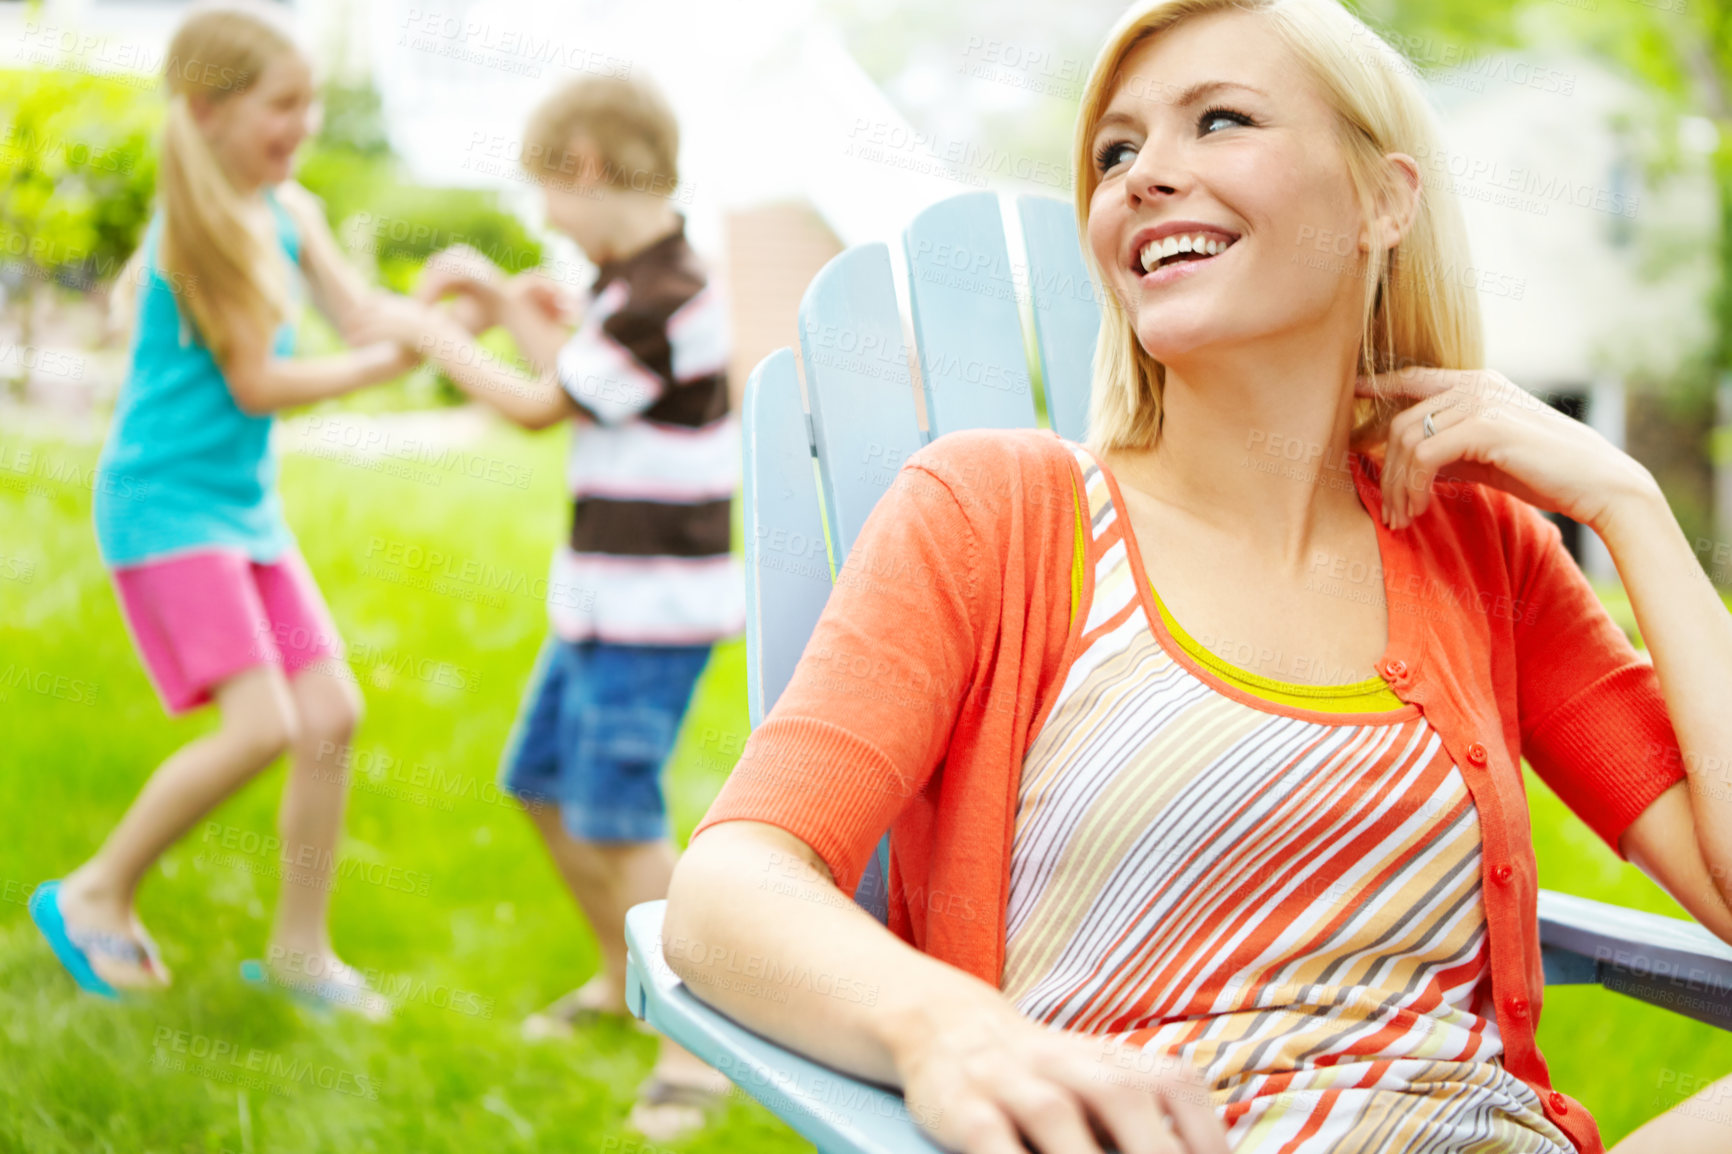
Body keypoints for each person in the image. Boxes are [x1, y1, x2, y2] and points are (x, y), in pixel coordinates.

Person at [659, 1, 1732, 1151]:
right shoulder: (994, 514)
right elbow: (729, 884)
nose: (1143, 176)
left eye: (1219, 121)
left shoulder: (1478, 552)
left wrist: (1632, 511)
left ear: (1382, 200)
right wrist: (945, 1030)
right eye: (1116, 151)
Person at [31, 0, 451, 1015]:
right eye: (284, 105)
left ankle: (302, 954)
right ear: (210, 109)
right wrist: (383, 363)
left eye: (310, 102)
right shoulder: (198, 229)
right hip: (166, 508)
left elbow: (362, 313)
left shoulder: (289, 208)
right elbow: (260, 383)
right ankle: (93, 889)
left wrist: (448, 307)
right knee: (262, 723)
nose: (303, 124)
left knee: (331, 711)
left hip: (242, 509)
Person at [353, 71, 745, 1138]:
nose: (546, 219)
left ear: (582, 167)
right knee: (538, 782)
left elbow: (536, 407)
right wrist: (500, 299)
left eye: (545, 196)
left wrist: (434, 335)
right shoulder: (627, 281)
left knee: (617, 816)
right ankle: (625, 971)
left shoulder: (673, 295)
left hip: (652, 612)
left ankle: (695, 1045)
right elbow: (572, 381)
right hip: (600, 600)